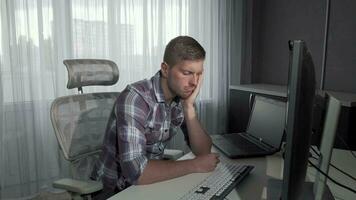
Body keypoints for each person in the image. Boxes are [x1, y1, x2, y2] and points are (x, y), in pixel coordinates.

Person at [91, 36, 220, 199]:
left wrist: (189, 107)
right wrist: (194, 165)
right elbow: (136, 172)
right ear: (165, 69)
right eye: (187, 73)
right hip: (116, 191)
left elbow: (203, 151)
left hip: (150, 186)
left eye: (199, 74)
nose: (194, 82)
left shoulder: (180, 97)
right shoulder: (136, 99)